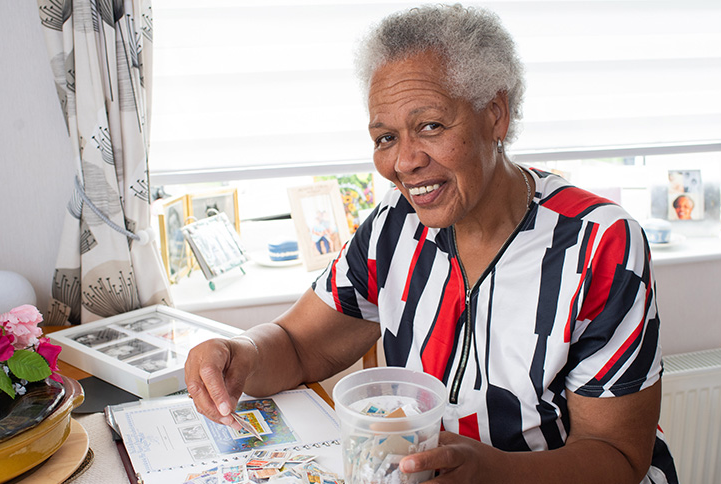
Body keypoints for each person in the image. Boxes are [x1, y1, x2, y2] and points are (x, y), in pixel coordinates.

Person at [185, 4, 678, 483]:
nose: (405, 162)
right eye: (385, 137)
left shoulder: (599, 244)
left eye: (430, 126)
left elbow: (618, 457)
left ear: (496, 115)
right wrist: (241, 352)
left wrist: (494, 473)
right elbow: (298, 345)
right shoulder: (396, 224)